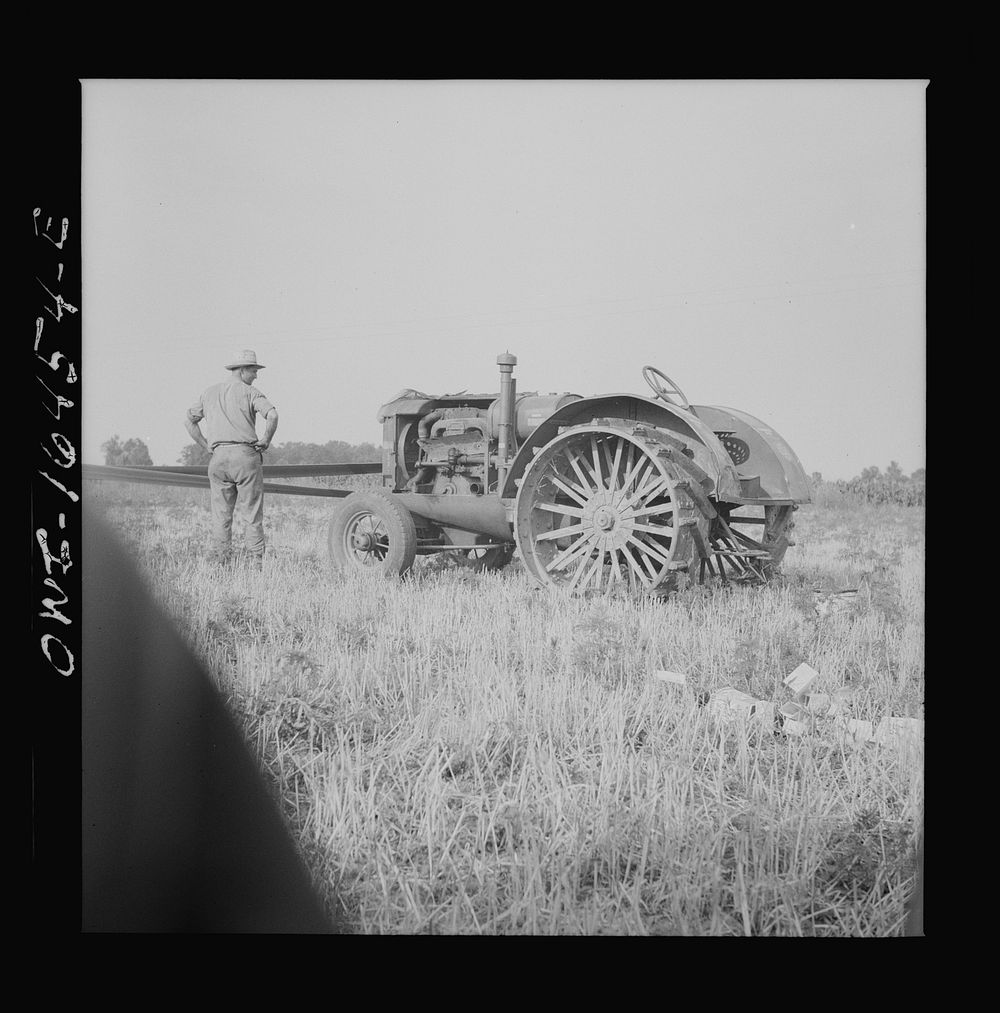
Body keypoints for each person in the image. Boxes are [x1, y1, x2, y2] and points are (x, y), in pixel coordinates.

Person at [185, 350, 278, 564]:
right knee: (252, 514)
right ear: (243, 370)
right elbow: (272, 415)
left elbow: (189, 421)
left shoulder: (209, 393)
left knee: (221, 516)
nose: (256, 375)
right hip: (245, 456)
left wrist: (206, 444)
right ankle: (255, 565)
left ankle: (222, 562)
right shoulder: (250, 392)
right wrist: (265, 440)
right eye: (254, 371)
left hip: (217, 458)